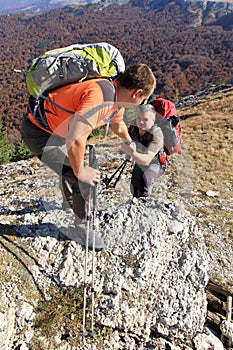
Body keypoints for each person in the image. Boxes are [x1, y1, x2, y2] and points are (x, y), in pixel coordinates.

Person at [20, 64, 156, 250]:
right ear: (137, 92)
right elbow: (75, 139)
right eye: (144, 99)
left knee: (74, 168)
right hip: (39, 133)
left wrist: (128, 140)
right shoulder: (101, 98)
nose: (142, 103)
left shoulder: (113, 93)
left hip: (52, 129)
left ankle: (71, 202)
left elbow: (117, 123)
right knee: (83, 179)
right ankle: (82, 228)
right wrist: (81, 171)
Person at [121, 104, 166, 198]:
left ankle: (144, 205)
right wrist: (128, 153)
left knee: (145, 181)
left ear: (153, 120)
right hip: (140, 159)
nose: (141, 122)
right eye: (139, 118)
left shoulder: (157, 134)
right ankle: (135, 204)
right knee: (134, 185)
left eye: (145, 120)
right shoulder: (134, 128)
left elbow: (147, 160)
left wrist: (132, 153)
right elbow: (128, 143)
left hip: (156, 162)